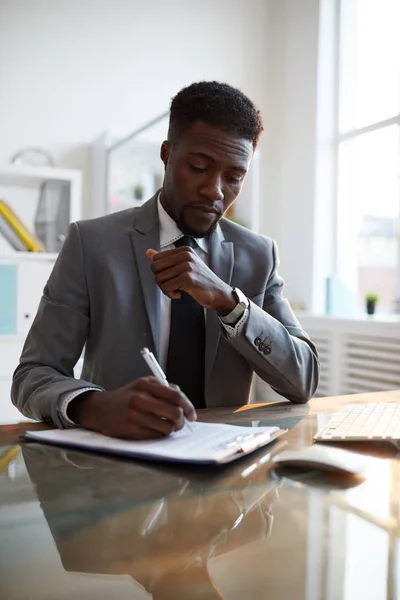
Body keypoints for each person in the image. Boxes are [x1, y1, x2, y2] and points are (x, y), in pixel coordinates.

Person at [12, 81, 319, 439]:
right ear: (167, 154)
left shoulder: (258, 255)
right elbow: (33, 375)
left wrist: (229, 302)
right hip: (117, 468)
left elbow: (304, 380)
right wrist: (92, 406)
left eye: (234, 177)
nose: (216, 191)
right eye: (200, 167)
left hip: (223, 470)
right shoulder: (92, 243)